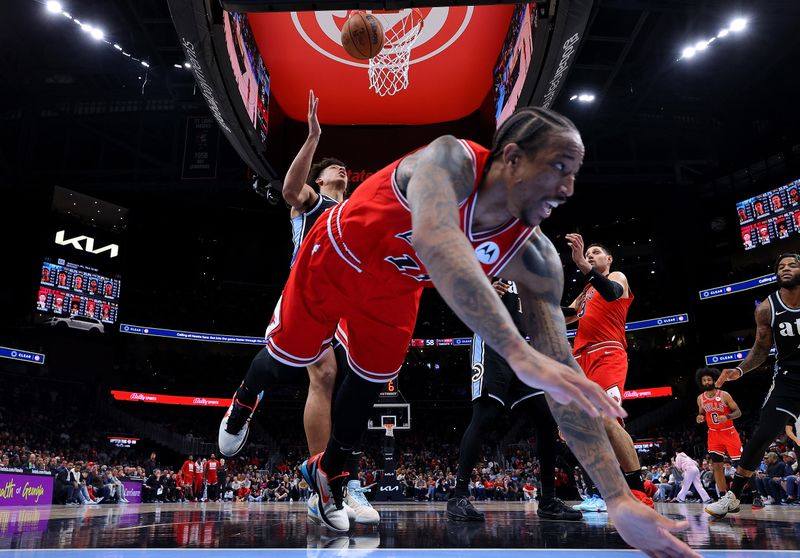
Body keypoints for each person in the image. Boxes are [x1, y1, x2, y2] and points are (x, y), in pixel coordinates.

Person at [218, 107, 696, 556]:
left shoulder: (538, 257)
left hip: (397, 287)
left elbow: (564, 380)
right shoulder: (450, 158)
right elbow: (434, 237)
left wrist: (617, 497)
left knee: (370, 378)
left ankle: (330, 472)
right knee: (289, 358)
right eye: (561, 168)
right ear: (512, 158)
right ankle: (243, 401)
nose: (569, 187)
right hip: (336, 258)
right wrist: (516, 347)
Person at [223, 91, 377, 526]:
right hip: (305, 294)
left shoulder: (355, 212)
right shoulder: (312, 201)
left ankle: (337, 481)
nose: (341, 169)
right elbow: (291, 188)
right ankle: (244, 404)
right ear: (322, 178)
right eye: (334, 167)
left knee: (350, 378)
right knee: (306, 372)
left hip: (345, 301)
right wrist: (312, 138)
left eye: (343, 168)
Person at [447, 278, 581, 522]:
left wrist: (576, 308)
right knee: (485, 416)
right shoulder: (491, 257)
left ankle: (548, 499)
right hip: (491, 341)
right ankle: (458, 497)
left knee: (545, 418)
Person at [706, 253, 800, 518]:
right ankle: (733, 497)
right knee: (764, 433)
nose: (786, 269)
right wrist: (739, 369)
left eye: (793, 264)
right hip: (788, 379)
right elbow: (761, 349)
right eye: (781, 266)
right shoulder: (767, 309)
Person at [562, 235, 652, 509]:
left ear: (609, 259)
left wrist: (581, 264)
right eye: (587, 253)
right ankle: (610, 488)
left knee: (607, 418)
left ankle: (638, 489)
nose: (590, 255)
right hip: (580, 360)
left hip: (606, 352)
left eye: (596, 252)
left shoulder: (618, 277)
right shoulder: (586, 290)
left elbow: (612, 293)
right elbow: (567, 315)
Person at [695, 367, 743, 499]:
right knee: (717, 465)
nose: (706, 382)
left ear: (714, 380)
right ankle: (723, 495)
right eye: (704, 380)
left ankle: (757, 495)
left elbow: (738, 412)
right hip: (713, 434)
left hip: (729, 432)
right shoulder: (700, 398)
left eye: (709, 379)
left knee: (741, 465)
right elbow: (701, 413)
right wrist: (700, 417)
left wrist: (727, 417)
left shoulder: (724, 395)